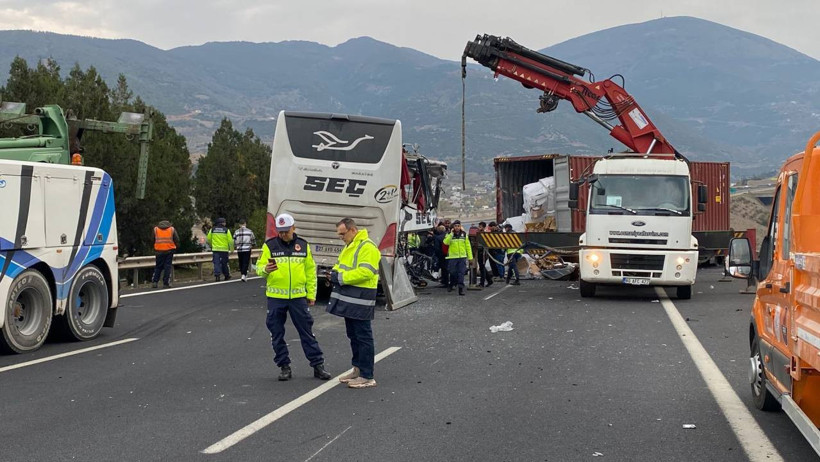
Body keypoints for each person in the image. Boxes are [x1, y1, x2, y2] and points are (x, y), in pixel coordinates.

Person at [257, 213, 331, 381]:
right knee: (276, 333)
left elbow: (310, 272)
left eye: (286, 231)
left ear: (294, 228)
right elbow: (259, 267)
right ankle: (284, 366)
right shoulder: (270, 246)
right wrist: (265, 270)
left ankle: (318, 365)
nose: (283, 234)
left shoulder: (303, 246)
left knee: (306, 332)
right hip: (276, 297)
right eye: (280, 231)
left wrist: (311, 294)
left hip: (298, 297)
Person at [328, 218, 380, 389]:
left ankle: (367, 375)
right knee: (353, 335)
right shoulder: (350, 246)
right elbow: (340, 265)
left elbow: (367, 271)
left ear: (353, 230)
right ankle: (357, 369)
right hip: (350, 298)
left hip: (362, 298)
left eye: (343, 234)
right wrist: (333, 273)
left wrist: (340, 278)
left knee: (363, 336)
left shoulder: (367, 247)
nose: (341, 237)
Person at [151, 220, 180, 288]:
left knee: (158, 266)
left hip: (158, 250)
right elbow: (177, 239)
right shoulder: (171, 229)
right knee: (167, 266)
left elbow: (152, 239)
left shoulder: (156, 229)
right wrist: (176, 247)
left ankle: (155, 282)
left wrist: (154, 247)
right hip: (169, 250)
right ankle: (166, 283)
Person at [207, 217, 233, 281]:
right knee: (224, 263)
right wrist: (232, 249)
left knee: (216, 263)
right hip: (224, 250)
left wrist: (211, 245)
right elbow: (230, 241)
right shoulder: (226, 230)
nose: (225, 223)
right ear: (222, 223)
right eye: (224, 222)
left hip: (215, 249)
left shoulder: (212, 230)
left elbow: (209, 239)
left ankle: (217, 276)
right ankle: (226, 275)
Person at [475, 221, 492, 287]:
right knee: (482, 267)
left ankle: (482, 283)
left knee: (482, 267)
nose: (479, 228)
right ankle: (489, 280)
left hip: (483, 252)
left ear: (484, 227)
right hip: (480, 251)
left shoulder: (484, 234)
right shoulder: (478, 233)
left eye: (480, 227)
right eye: (479, 227)